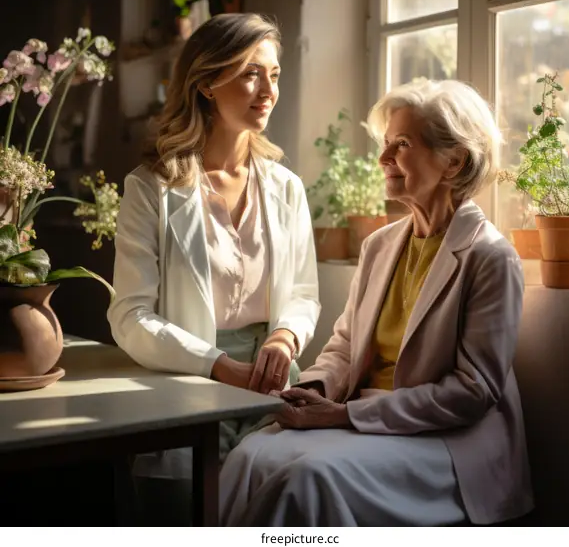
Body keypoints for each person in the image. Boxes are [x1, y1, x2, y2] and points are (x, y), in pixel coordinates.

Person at [219, 79, 535, 527]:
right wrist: (313, 391)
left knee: (309, 478)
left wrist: (345, 414)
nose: (383, 158)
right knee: (248, 455)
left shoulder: (491, 257)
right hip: (362, 416)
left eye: (401, 144)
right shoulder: (380, 244)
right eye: (386, 144)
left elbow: (472, 392)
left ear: (454, 161)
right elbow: (345, 345)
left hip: (447, 442)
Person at [106, 13, 321, 500]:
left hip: (272, 394)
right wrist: (217, 364)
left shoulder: (286, 187)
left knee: (282, 510)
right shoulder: (150, 188)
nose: (268, 89)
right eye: (250, 73)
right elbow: (130, 316)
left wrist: (286, 336)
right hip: (189, 382)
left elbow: (305, 292)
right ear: (205, 82)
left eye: (274, 74)